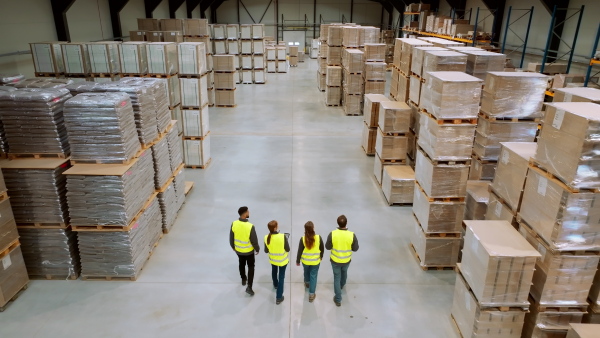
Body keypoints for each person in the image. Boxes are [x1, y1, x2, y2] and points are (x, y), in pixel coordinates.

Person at [325, 215, 359, 307]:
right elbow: (355, 249)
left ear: (338, 223)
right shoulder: (352, 235)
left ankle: (338, 299)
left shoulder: (332, 234)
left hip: (335, 260)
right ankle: (342, 284)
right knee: (344, 272)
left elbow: (327, 247)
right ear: (346, 223)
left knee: (337, 277)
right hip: (346, 260)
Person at [230, 206, 260, 296]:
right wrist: (257, 248)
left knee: (241, 264)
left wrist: (233, 247)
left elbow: (231, 238)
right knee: (251, 266)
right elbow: (254, 240)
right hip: (249, 251)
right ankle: (249, 286)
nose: (249, 212)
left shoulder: (234, 223)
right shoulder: (250, 226)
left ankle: (243, 279)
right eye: (248, 211)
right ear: (245, 213)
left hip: (239, 251)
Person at [296, 221, 324, 302]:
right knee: (313, 276)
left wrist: (298, 260)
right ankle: (311, 294)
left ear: (305, 229)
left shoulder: (303, 239)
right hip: (315, 261)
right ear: (313, 228)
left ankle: (307, 283)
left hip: (305, 261)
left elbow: (299, 251)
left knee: (306, 271)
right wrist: (321, 256)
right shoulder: (318, 237)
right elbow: (322, 248)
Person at [264, 220, 290, 305]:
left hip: (273, 260)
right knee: (281, 277)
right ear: (275, 228)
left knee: (274, 271)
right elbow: (288, 249)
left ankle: (275, 284)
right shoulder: (283, 237)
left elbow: (266, 250)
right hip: (282, 261)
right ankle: (279, 297)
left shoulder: (266, 237)